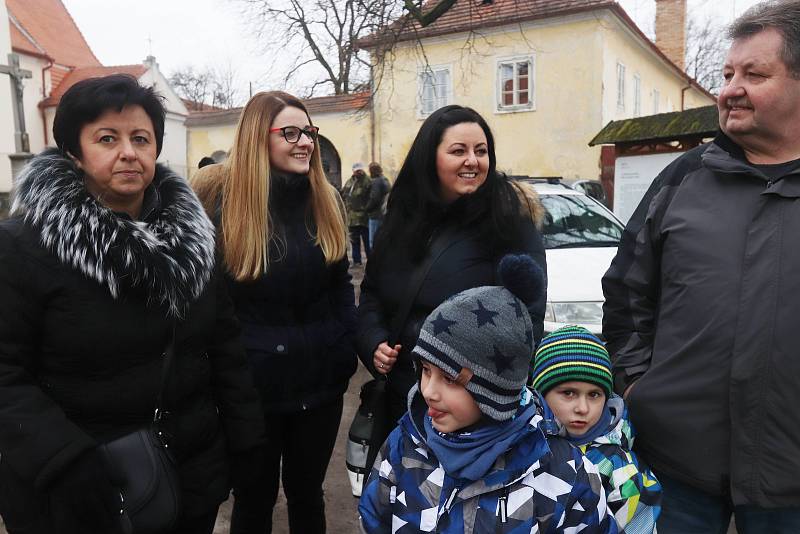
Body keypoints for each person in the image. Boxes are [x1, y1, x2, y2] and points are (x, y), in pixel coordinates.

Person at [0, 74, 265, 533]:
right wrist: (64, 460)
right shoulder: (21, 248)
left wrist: (247, 441)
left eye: (141, 138)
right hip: (88, 490)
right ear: (73, 152)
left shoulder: (194, 242)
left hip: (191, 476)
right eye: (107, 138)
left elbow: (223, 347)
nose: (128, 152)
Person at [602, 1, 800, 531]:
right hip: (677, 466)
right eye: (728, 73)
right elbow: (625, 292)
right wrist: (636, 386)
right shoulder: (684, 177)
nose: (730, 88)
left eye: (754, 74)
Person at [191, 90, 357, 534]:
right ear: (256, 139)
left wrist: (344, 344)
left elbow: (340, 283)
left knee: (308, 496)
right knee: (253, 499)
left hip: (319, 388)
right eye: (290, 132)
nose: (304, 142)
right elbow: (212, 308)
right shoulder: (223, 211)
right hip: (253, 393)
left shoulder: (326, 202)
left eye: (309, 132)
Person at [359, 255, 614, 533]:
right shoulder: (405, 445)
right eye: (425, 370)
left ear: (495, 392)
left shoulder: (563, 474)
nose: (429, 391)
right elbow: (375, 519)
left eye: (449, 379)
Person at [357, 104, 547, 424]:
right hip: (402, 400)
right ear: (429, 158)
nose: (472, 160)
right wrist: (373, 341)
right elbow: (372, 293)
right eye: (458, 151)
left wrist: (486, 400)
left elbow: (529, 319)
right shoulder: (401, 218)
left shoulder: (509, 220)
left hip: (472, 409)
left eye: (481, 150)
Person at [533, 325, 662, 533]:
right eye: (568, 393)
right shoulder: (521, 446)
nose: (583, 408)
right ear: (541, 394)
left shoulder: (620, 471)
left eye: (594, 395)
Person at [342, 162, 372, 264]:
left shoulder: (367, 181)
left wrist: (366, 208)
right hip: (352, 218)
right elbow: (344, 193)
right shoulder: (350, 181)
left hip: (363, 217)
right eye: (356, 170)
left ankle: (370, 260)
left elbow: (371, 197)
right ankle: (357, 260)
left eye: (359, 170)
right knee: (354, 241)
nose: (358, 172)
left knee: (367, 240)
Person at [364, 162, 390, 248]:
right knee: (383, 240)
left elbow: (374, 198)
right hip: (384, 214)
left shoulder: (376, 182)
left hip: (375, 215)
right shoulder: (385, 180)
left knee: (373, 242)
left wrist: (367, 208)